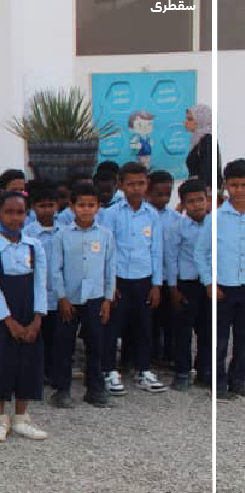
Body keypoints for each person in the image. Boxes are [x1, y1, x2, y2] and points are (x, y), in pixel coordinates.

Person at [0, 192, 49, 442]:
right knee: (0, 361)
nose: (14, 218)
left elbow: (40, 283)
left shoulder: (34, 246)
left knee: (27, 363)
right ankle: (0, 418)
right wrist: (8, 321)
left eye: (20, 212)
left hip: (28, 311)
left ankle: (21, 417)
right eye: (8, 212)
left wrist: (37, 319)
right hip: (2, 316)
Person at [99, 163, 168, 394]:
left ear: (146, 184)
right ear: (121, 185)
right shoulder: (111, 214)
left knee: (144, 326)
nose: (136, 188)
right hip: (119, 280)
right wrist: (110, 283)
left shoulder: (152, 215)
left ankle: (143, 370)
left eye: (141, 183)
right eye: (131, 184)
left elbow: (156, 251)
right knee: (113, 326)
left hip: (144, 279)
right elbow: (107, 251)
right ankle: (109, 371)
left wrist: (156, 284)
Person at [48, 182, 116, 409]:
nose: (86, 210)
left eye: (91, 205)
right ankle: (62, 389)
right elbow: (55, 269)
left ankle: (95, 388)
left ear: (98, 207)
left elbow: (110, 268)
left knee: (96, 344)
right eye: (81, 205)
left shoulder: (105, 235)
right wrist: (62, 297)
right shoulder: (62, 235)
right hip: (69, 299)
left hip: (95, 298)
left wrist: (108, 299)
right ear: (72, 207)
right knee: (64, 345)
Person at [196, 159, 245, 398]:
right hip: (222, 287)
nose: (239, 190)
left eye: (244, 185)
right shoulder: (215, 218)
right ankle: (218, 380)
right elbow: (201, 252)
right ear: (225, 185)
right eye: (234, 185)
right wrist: (209, 281)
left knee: (243, 338)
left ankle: (239, 378)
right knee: (220, 338)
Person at [164, 179, 211, 391]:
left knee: (208, 328)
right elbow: (171, 258)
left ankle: (205, 370)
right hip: (187, 284)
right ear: (183, 204)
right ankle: (182, 371)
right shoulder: (178, 227)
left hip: (209, 283)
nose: (197, 205)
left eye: (200, 200)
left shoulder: (215, 224)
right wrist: (173, 289)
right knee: (183, 330)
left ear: (207, 200)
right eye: (191, 201)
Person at [23, 180, 60, 381]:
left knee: (56, 335)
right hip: (36, 294)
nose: (46, 210)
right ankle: (37, 372)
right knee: (38, 335)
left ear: (57, 206)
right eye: (41, 206)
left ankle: (53, 372)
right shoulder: (27, 233)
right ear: (33, 208)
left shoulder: (64, 231)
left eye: (50, 205)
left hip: (58, 294)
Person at [147, 169, 177, 366]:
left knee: (169, 319)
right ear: (148, 192)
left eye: (168, 194)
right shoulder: (144, 215)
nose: (164, 199)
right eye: (159, 194)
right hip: (147, 277)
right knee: (149, 321)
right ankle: (150, 355)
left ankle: (168, 356)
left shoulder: (175, 218)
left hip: (168, 277)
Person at [184, 104, 220, 188]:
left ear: (200, 120)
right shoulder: (197, 140)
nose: (186, 122)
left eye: (190, 119)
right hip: (198, 188)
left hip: (204, 190)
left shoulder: (207, 140)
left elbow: (208, 171)